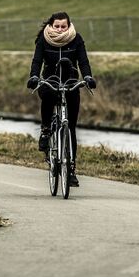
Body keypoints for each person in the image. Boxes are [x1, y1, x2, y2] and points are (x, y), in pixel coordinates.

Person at [26, 11, 96, 187]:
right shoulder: (44, 39)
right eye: (56, 26)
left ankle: (71, 170)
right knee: (48, 96)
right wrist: (34, 77)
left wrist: (87, 77)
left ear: (68, 25)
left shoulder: (76, 39)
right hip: (49, 80)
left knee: (70, 127)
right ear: (51, 25)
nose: (60, 29)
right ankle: (45, 130)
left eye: (63, 26)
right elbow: (37, 61)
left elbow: (83, 61)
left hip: (71, 80)